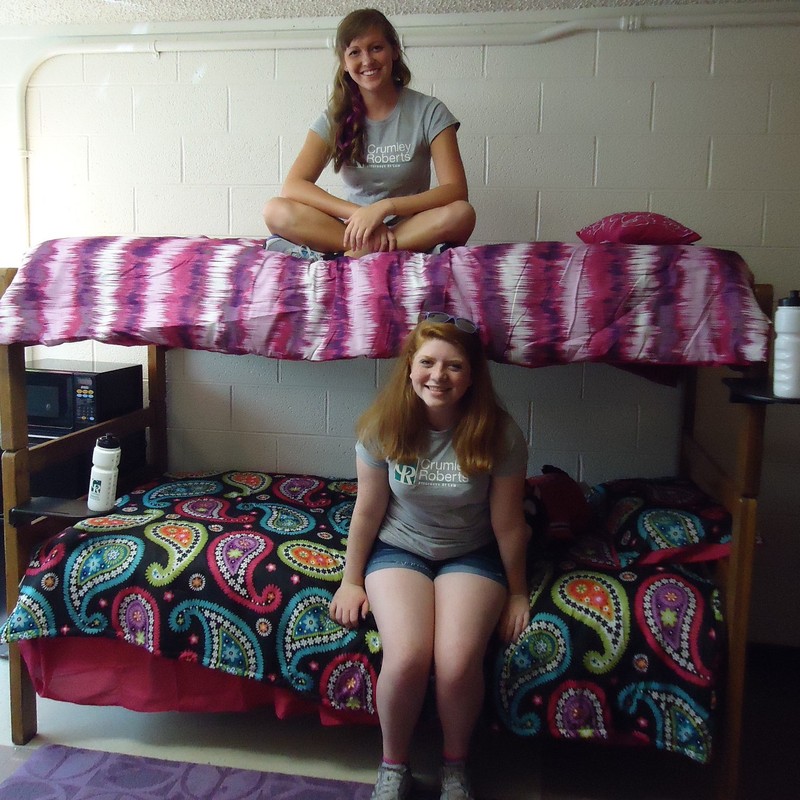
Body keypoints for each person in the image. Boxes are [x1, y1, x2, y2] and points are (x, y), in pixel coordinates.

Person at [329, 311, 531, 800]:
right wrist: (350, 579)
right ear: (409, 367)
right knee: (409, 657)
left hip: (471, 553)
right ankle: (393, 766)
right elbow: (367, 509)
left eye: (454, 366)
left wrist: (518, 592)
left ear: (473, 374)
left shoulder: (498, 433)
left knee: (459, 662)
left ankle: (455, 768)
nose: (438, 376)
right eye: (428, 362)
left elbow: (507, 523)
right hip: (400, 549)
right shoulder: (384, 426)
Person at [262, 9, 476, 260]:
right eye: (355, 52)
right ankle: (378, 247)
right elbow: (294, 185)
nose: (367, 60)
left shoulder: (430, 111)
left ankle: (349, 256)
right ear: (344, 62)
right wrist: (358, 214)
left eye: (376, 48)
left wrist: (384, 208)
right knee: (275, 210)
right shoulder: (335, 117)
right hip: (353, 228)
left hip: (413, 226)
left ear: (394, 51)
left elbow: (455, 190)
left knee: (462, 214)